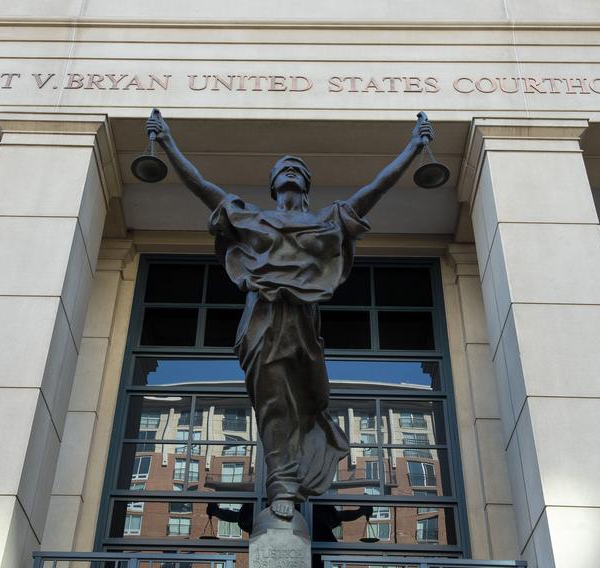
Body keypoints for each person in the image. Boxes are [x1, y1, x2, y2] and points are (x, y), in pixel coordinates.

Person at [145, 109, 434, 521]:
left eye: (298, 168)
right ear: (274, 182)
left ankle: (299, 474)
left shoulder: (325, 220)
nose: (292, 170)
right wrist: (168, 144)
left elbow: (375, 189)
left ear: (306, 184)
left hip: (303, 324)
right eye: (285, 168)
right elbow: (204, 188)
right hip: (263, 320)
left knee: (307, 405)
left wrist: (414, 148)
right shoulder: (251, 218)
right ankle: (282, 485)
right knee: (274, 402)